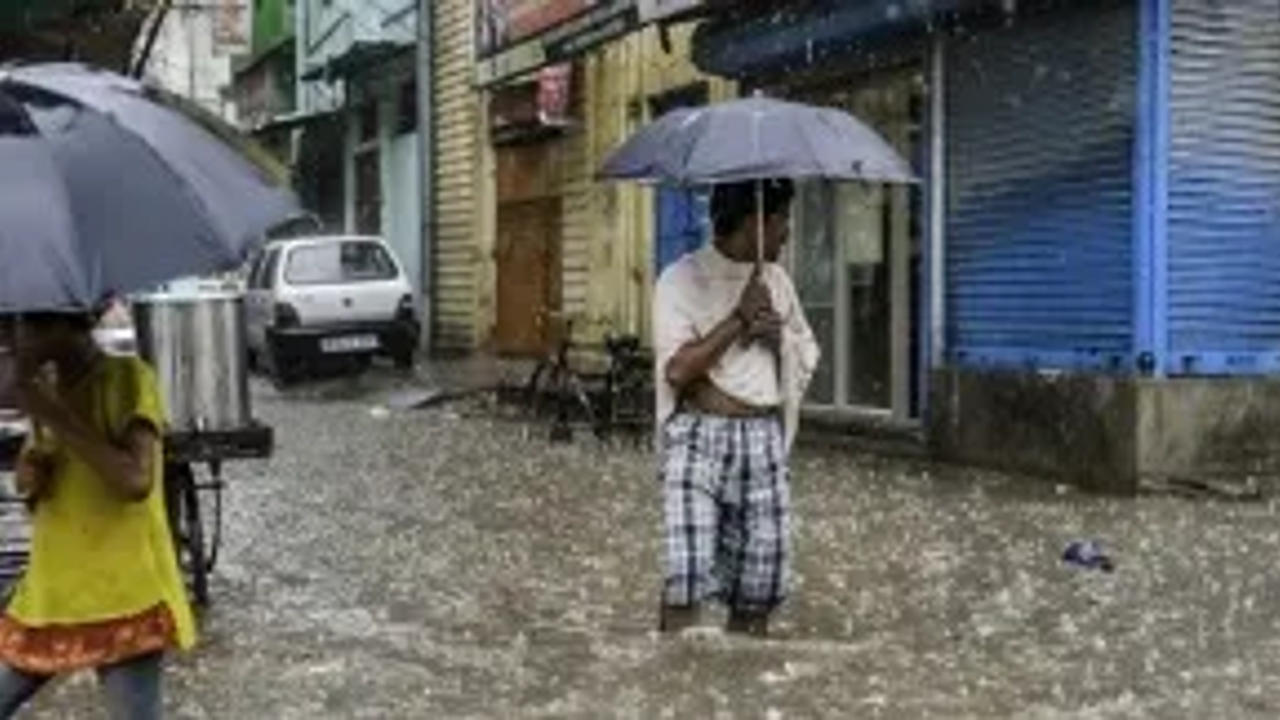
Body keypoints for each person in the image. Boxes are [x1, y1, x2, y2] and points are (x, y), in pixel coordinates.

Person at [0, 311, 195, 719]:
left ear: (62, 325)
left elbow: (135, 481)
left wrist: (54, 413)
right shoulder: (48, 390)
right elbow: (35, 485)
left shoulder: (127, 378)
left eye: (21, 329)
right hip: (52, 592)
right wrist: (30, 474)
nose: (14, 344)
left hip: (123, 594)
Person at [652, 179, 821, 637]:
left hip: (762, 442)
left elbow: (806, 352)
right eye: (783, 220)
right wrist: (737, 320)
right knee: (686, 574)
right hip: (697, 438)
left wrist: (776, 337)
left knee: (760, 582)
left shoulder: (778, 282)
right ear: (756, 222)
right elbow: (677, 372)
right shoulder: (680, 279)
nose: (788, 232)